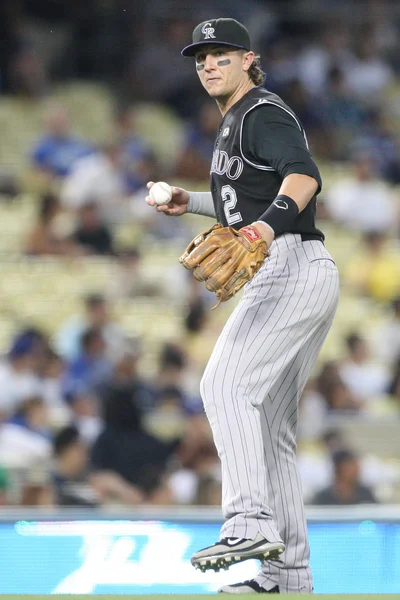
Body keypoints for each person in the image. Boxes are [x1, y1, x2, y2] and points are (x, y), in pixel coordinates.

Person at [145, 18, 339, 594]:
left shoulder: (261, 113)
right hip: (298, 273)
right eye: (200, 57)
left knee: (224, 387)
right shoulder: (235, 121)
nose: (208, 64)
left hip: (291, 267)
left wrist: (260, 231)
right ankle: (289, 576)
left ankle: (247, 523)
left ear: (248, 60)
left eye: (220, 55)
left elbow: (304, 177)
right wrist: (195, 202)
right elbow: (246, 198)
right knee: (271, 425)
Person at [311, 449, 378, 506]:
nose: (357, 471)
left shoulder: (366, 494)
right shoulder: (323, 498)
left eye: (357, 467)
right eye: (352, 467)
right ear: (339, 468)